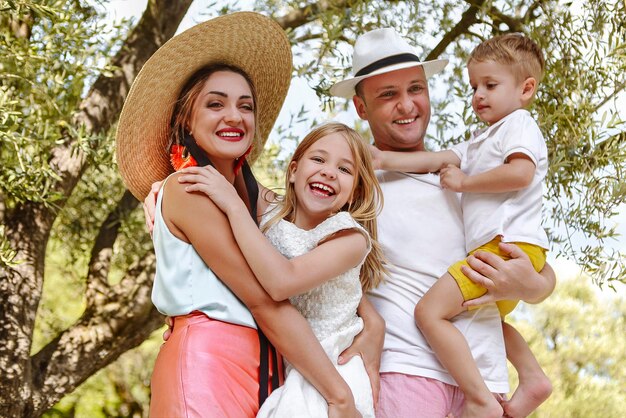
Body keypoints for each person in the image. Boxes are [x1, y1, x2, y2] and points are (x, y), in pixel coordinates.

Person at [116, 12, 379, 418]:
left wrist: (372, 327)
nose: (234, 116)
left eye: (246, 106)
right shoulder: (191, 191)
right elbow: (265, 299)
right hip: (209, 363)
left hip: (268, 370)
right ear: (187, 117)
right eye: (215, 103)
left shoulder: (253, 202)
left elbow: (315, 252)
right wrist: (339, 394)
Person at [330, 28, 556, 418]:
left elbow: (530, 256)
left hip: (483, 383)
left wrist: (533, 286)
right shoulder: (356, 185)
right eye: (388, 95)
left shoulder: (465, 175)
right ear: (361, 108)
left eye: (415, 88)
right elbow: (323, 266)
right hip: (406, 373)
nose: (406, 105)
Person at [177, 122, 386, 417]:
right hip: (292, 363)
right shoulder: (272, 213)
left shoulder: (349, 238)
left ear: (354, 193)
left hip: (334, 363)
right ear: (293, 171)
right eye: (318, 159)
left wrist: (234, 206)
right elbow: (231, 170)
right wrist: (164, 188)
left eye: (344, 169)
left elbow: (281, 282)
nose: (329, 172)